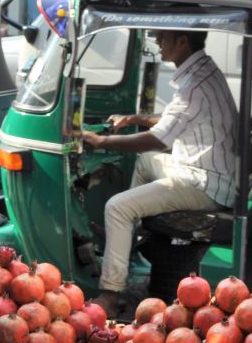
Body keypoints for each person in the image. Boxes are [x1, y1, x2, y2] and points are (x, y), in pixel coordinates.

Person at [79, 30, 237, 316]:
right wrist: (135, 119)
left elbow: (159, 138)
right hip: (202, 170)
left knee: (117, 207)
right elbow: (177, 120)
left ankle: (111, 293)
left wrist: (101, 142)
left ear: (182, 41)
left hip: (204, 183)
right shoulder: (202, 72)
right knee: (146, 161)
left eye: (163, 37)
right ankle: (128, 240)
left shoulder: (195, 85)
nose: (157, 43)